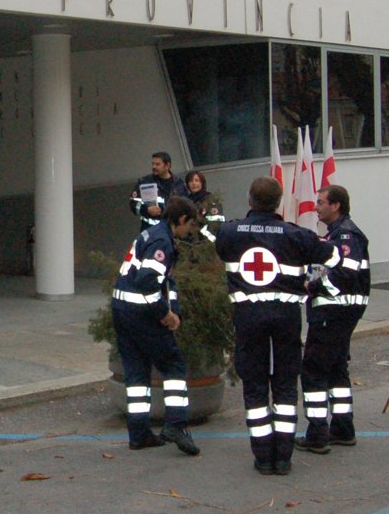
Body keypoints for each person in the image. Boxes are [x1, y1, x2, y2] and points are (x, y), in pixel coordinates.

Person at [215, 175, 339, 476]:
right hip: (286, 317)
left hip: (247, 317)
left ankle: (262, 457)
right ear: (279, 202)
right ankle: (283, 457)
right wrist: (311, 281)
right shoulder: (295, 234)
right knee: (284, 385)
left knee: (255, 387)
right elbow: (333, 255)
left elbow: (220, 250)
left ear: (249, 200)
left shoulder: (230, 232)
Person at [112, 196, 202, 456]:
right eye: (190, 224)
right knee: (174, 365)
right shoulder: (162, 241)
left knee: (137, 372)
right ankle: (175, 424)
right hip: (141, 314)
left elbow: (166, 283)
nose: (189, 230)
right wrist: (166, 314)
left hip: (123, 311)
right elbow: (148, 281)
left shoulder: (153, 234)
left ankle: (139, 434)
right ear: (182, 219)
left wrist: (176, 311)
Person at [296, 184, 370, 454]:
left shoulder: (347, 236)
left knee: (314, 370)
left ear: (336, 205)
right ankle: (342, 428)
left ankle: (317, 433)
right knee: (337, 369)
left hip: (333, 313)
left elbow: (346, 274)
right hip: (337, 313)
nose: (316, 206)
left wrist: (313, 287)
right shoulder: (336, 235)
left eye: (321, 202)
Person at [130, 151, 188, 228]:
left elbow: (186, 205)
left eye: (157, 164)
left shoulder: (179, 183)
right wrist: (147, 210)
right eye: (153, 164)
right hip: (151, 230)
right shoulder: (144, 182)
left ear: (167, 165)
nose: (154, 167)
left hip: (174, 230)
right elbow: (133, 203)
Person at [182, 169, 226, 242]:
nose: (194, 183)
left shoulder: (211, 200)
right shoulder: (185, 202)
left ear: (202, 183)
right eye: (191, 181)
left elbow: (216, 224)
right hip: (190, 242)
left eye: (197, 181)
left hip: (208, 242)